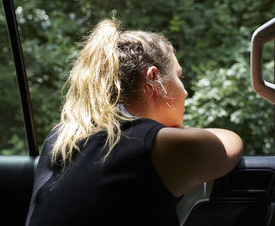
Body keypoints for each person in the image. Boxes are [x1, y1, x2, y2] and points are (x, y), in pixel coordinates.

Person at [26, 18, 243, 226]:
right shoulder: (152, 144)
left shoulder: (63, 135)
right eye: (179, 77)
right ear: (153, 79)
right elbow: (230, 142)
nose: (185, 92)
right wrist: (174, 131)